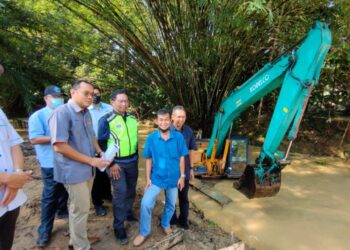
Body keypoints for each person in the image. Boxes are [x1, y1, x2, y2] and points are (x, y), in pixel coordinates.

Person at [48, 80, 111, 250]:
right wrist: (92, 160)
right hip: (73, 171)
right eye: (86, 93)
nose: (91, 97)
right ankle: (81, 246)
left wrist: (99, 152)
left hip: (88, 169)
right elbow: (59, 146)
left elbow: (92, 137)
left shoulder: (86, 113)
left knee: (79, 208)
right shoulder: (62, 113)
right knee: (80, 209)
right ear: (72, 92)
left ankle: (75, 240)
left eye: (93, 94)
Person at [133, 108, 188, 247]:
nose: (164, 122)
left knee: (171, 204)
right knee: (145, 203)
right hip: (156, 178)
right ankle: (144, 232)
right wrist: (147, 180)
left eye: (166, 120)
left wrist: (182, 176)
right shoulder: (151, 138)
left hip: (174, 179)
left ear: (170, 121)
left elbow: (182, 157)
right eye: (161, 120)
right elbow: (148, 159)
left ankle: (165, 224)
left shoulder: (178, 137)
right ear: (157, 121)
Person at [28, 85, 69, 247]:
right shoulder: (38, 117)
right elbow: (34, 139)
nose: (59, 99)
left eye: (61, 96)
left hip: (67, 160)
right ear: (46, 98)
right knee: (50, 196)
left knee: (65, 189)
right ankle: (45, 230)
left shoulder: (66, 114)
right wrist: (55, 136)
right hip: (50, 163)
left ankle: (62, 211)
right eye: (55, 96)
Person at [97, 89, 138, 245]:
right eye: (121, 101)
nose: (124, 104)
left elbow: (134, 141)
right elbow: (101, 144)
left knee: (131, 190)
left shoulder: (133, 118)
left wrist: (136, 158)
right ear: (112, 101)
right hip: (117, 164)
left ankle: (128, 213)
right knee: (120, 193)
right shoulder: (106, 120)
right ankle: (118, 227)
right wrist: (111, 163)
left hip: (133, 161)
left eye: (126, 101)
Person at [0, 64, 32, 250]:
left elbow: (14, 144)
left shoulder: (0, 112)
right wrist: (9, 179)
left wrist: (17, 175)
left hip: (10, 198)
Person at [170, 105, 197, 229]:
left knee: (184, 198)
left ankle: (183, 220)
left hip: (184, 171)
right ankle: (171, 219)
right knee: (170, 197)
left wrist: (191, 168)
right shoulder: (166, 130)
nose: (180, 119)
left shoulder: (188, 131)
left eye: (183, 117)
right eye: (178, 116)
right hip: (170, 171)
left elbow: (192, 150)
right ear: (172, 117)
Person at [88, 86, 113, 216]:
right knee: (97, 175)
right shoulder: (86, 111)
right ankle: (97, 203)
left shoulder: (109, 108)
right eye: (93, 94)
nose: (95, 96)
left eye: (97, 94)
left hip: (108, 144)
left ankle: (107, 195)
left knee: (108, 172)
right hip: (93, 145)